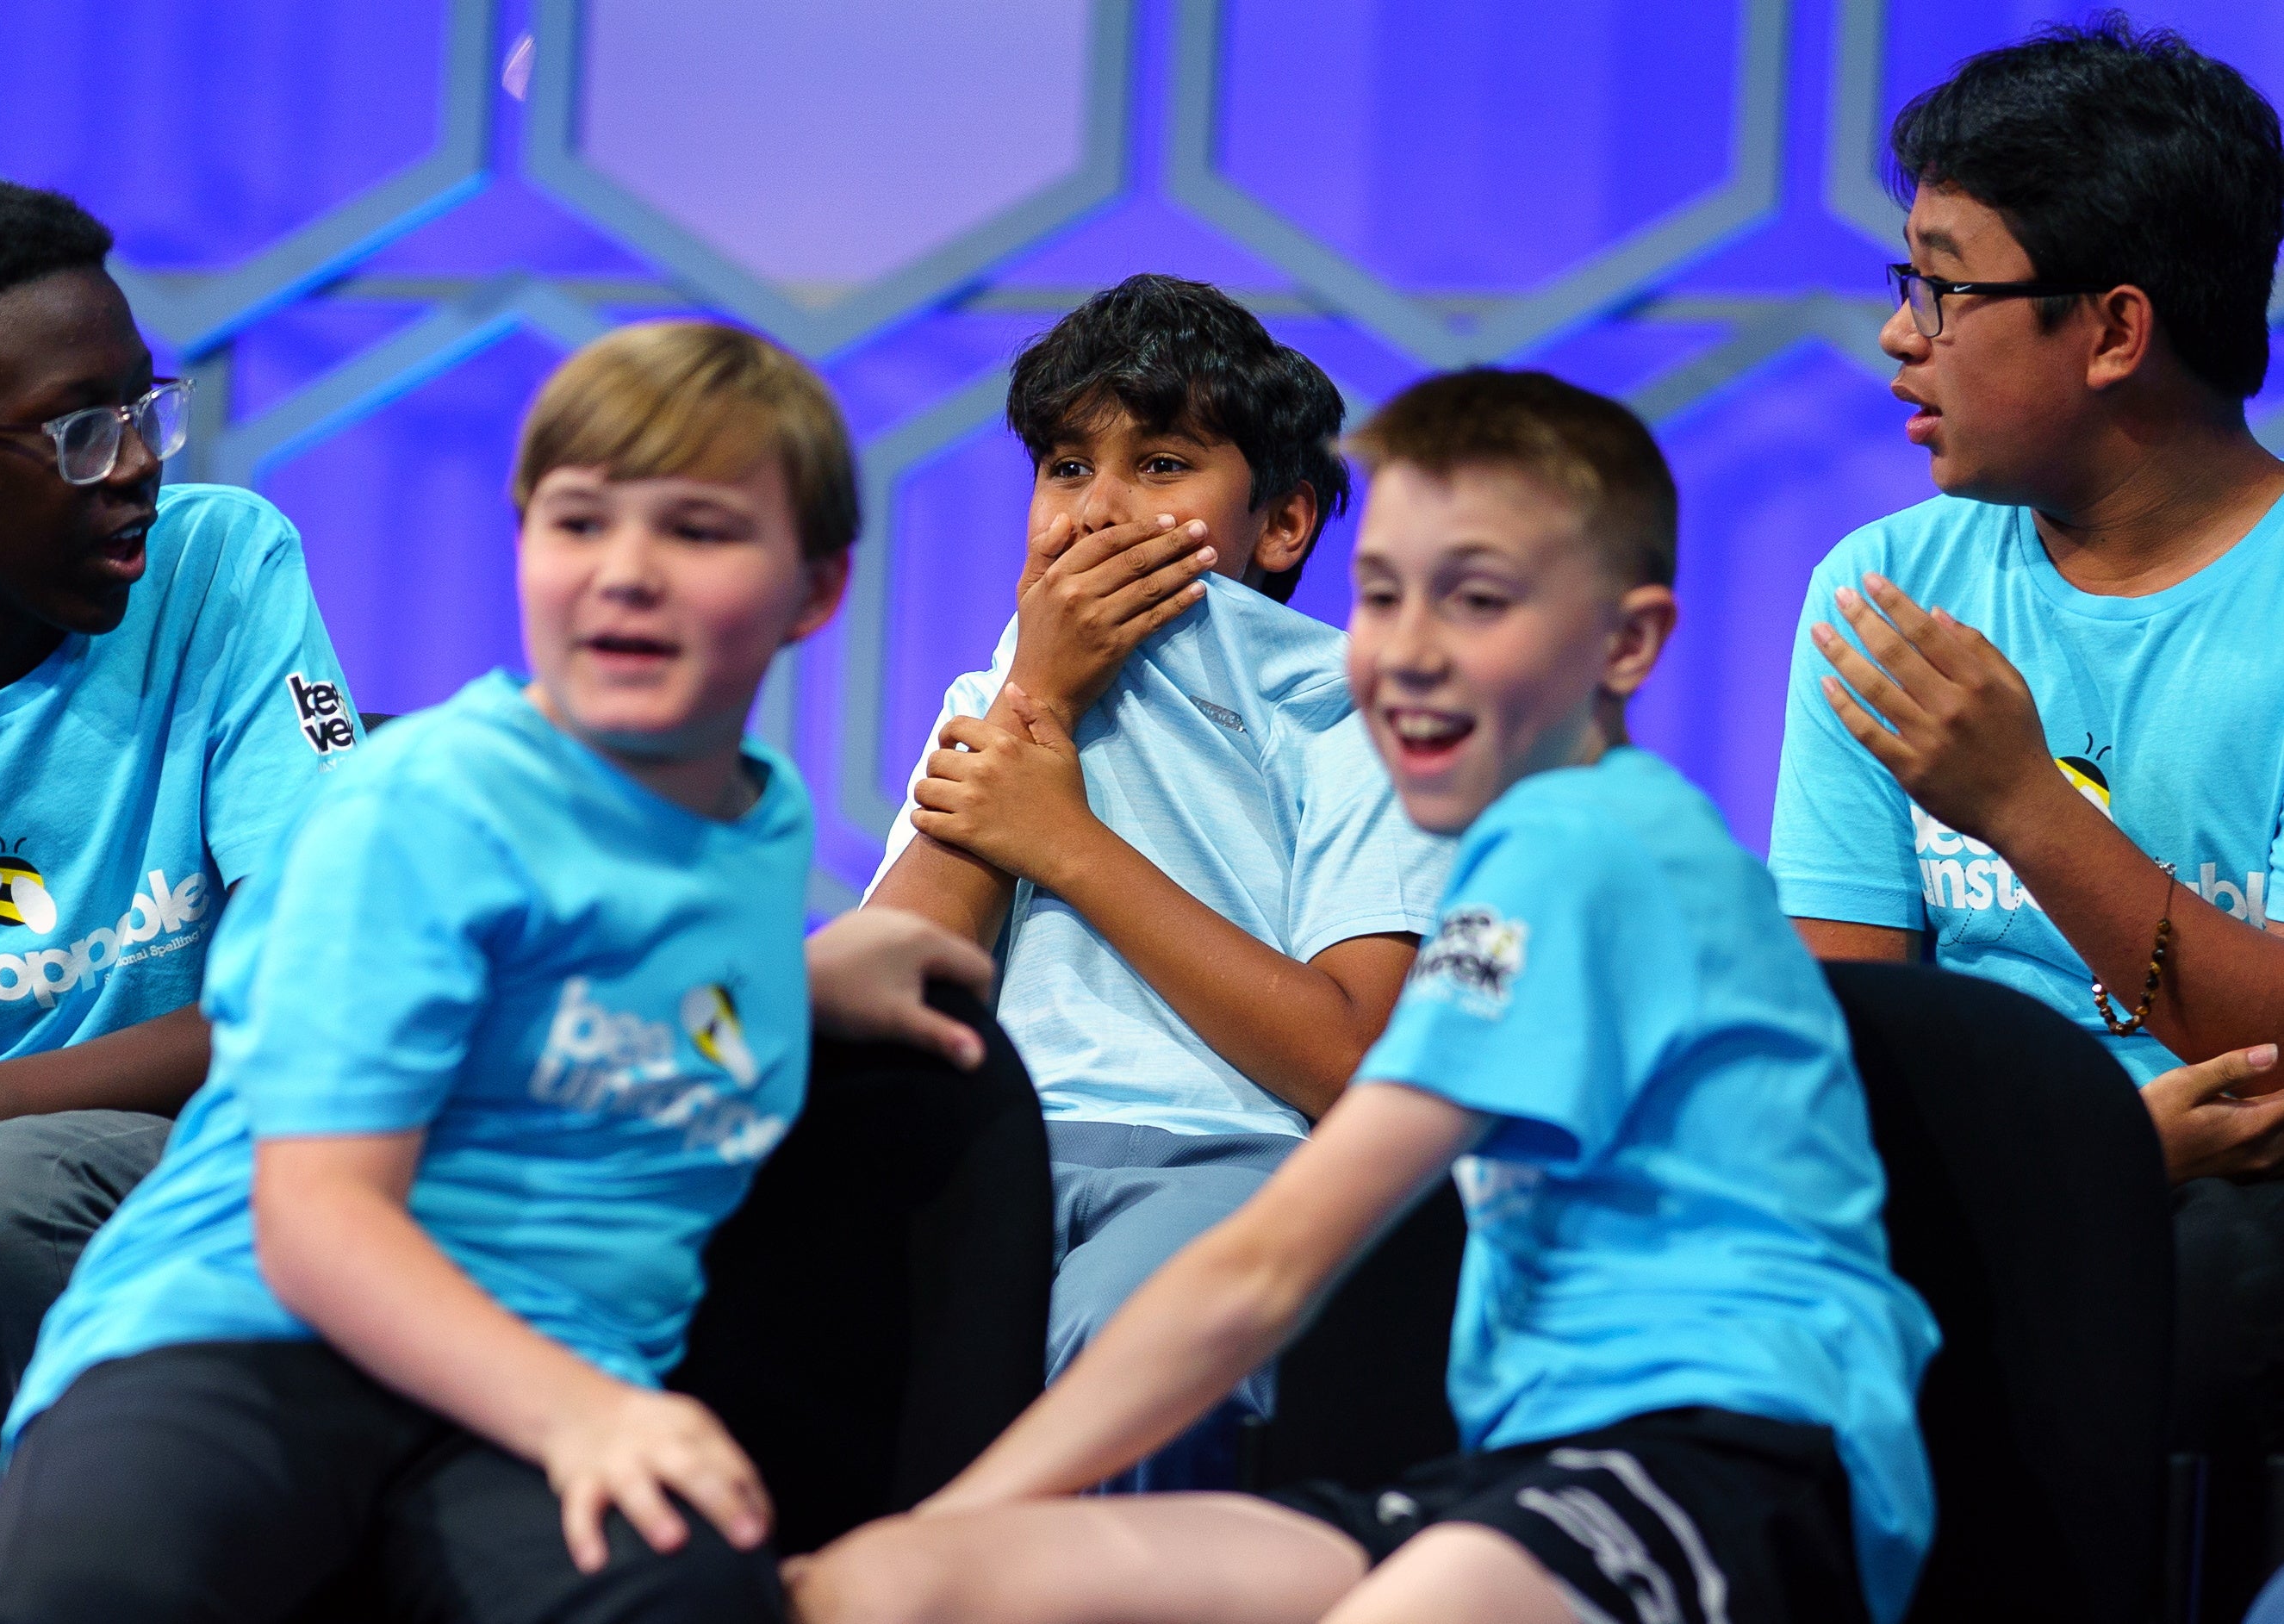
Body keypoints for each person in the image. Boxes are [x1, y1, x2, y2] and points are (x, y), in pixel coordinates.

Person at [791, 369, 1939, 1624]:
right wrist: (950, 1534)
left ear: (1628, 642)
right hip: (1509, 1473)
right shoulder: (1522, 851)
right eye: (1383, 595)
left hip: (1738, 1462)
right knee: (893, 1586)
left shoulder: (1601, 844)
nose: (1408, 653)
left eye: (1479, 600)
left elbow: (1271, 1260)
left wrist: (970, 1506)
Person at [0, 321, 1005, 1624]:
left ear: (816, 589)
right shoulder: (423, 803)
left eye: (698, 530)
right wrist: (585, 1415)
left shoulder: (766, 823)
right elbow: (320, 1222)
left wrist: (803, 987)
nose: (627, 574)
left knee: (693, 1595)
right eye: (578, 523)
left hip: (536, 1391)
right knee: (97, 1593)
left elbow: (609, 990)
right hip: (248, 1340)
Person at [1764, 17, 2284, 1530]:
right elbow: (1842, 1033)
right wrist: (2095, 1145)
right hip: (1972, 1179)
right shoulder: (1885, 590)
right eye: (1901, 280)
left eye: (1945, 283)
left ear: (2114, 331)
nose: (1899, 332)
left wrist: (2024, 809)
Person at [867, 275, 1449, 1478]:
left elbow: (1353, 1059)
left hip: (1217, 1159)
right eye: (1067, 468)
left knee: (1129, 1378)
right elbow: (899, 996)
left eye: (1164, 464)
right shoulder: (996, 699)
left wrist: (1065, 840)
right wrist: (1040, 701)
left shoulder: (1356, 720)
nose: (1097, 512)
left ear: (1282, 524)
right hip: (981, 1155)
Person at [0, 177, 359, 1456]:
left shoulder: (221, 567)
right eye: (78, 430)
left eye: (144, 409)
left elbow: (318, 988)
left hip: (203, 1154)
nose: (135, 463)